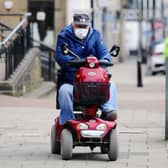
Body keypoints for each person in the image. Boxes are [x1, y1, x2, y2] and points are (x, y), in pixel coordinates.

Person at [55, 13, 117, 125]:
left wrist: (106, 60)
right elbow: (60, 56)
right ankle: (67, 121)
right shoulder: (64, 36)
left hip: (94, 81)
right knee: (64, 91)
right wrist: (75, 62)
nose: (81, 29)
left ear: (89, 26)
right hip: (73, 82)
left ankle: (108, 111)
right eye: (79, 26)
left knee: (111, 84)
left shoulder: (95, 35)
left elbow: (104, 53)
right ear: (73, 25)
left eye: (84, 26)